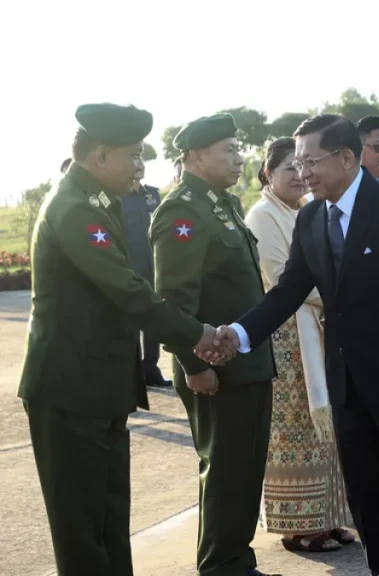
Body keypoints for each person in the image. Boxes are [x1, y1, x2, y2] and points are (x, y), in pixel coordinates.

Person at [212, 114, 379, 576]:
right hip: (346, 382)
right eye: (299, 162)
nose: (303, 172)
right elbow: (287, 291)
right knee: (367, 492)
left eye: (311, 161)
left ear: (346, 158)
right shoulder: (310, 217)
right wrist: (238, 335)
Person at [19, 103, 217, 576]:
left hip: (95, 387)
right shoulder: (72, 209)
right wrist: (198, 335)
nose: (140, 167)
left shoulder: (93, 202)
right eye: (133, 155)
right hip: (70, 389)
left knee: (108, 520)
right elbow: (128, 291)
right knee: (84, 531)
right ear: (101, 155)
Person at [151, 113, 279, 576]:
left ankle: (236, 559)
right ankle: (221, 566)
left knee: (244, 470)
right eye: (228, 149)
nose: (237, 157)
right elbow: (174, 300)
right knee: (225, 470)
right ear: (196, 155)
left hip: (247, 362)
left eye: (237, 148)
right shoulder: (182, 210)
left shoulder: (221, 204)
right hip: (216, 369)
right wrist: (192, 363)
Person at [246, 138, 356, 553]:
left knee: (327, 426)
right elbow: (281, 278)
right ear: (267, 174)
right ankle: (298, 525)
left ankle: (328, 519)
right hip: (288, 337)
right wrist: (340, 292)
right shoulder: (262, 216)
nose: (297, 175)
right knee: (294, 429)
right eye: (287, 168)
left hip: (321, 327)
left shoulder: (309, 212)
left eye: (302, 166)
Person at [123, 161, 171, 387]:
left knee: (153, 316)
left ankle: (150, 368)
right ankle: (132, 372)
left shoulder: (152, 194)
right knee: (130, 319)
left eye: (141, 161)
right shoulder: (116, 196)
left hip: (153, 265)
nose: (139, 165)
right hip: (128, 267)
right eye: (133, 161)